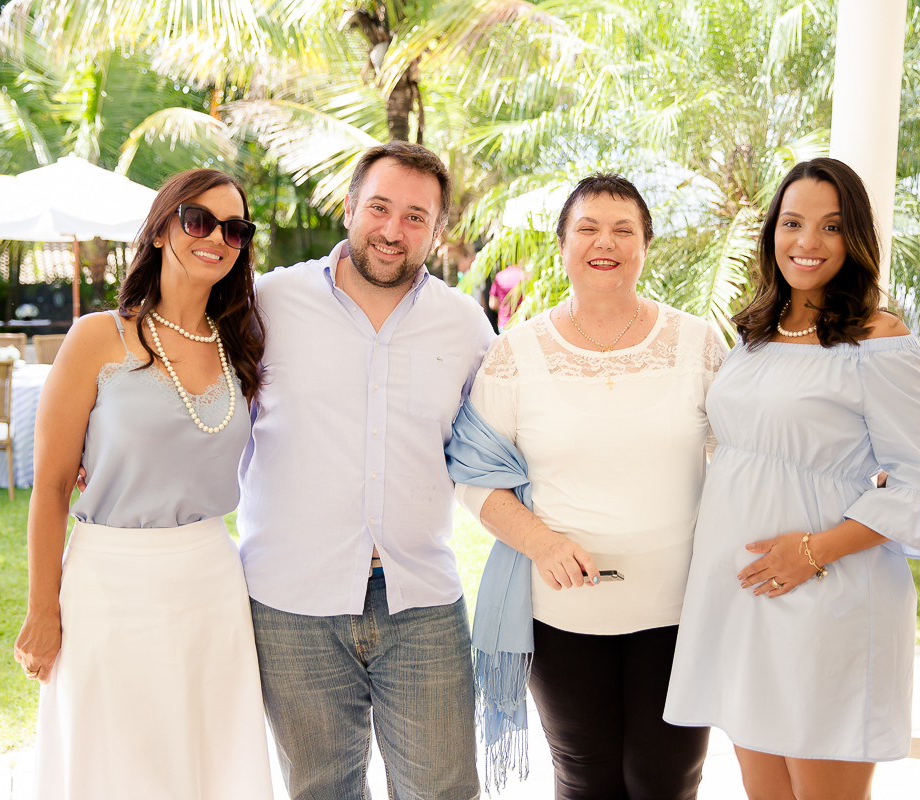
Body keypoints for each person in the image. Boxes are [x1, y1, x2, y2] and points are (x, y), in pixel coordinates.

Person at [664, 158, 920, 800]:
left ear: (855, 237)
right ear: (771, 232)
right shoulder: (756, 332)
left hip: (826, 592)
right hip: (741, 595)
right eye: (792, 223)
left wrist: (812, 552)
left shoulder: (879, 341)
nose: (807, 241)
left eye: (831, 226)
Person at [448, 174, 723, 799]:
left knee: (667, 780)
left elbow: (740, 460)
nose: (606, 243)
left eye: (624, 230)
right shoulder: (516, 353)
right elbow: (472, 474)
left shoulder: (698, 343)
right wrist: (541, 542)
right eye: (588, 229)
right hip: (561, 615)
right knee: (585, 779)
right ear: (563, 244)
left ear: (646, 245)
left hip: (681, 610)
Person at [239, 142, 494, 800]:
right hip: (291, 603)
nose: (392, 230)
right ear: (349, 207)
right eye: (379, 208)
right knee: (319, 791)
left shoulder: (465, 325)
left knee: (445, 792)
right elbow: (198, 396)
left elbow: (507, 438)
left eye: (416, 217)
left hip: (420, 600)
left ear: (437, 231)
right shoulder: (268, 303)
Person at [13, 169, 274, 800]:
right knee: (113, 765)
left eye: (234, 229)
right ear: (160, 230)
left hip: (211, 584)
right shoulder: (96, 337)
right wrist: (43, 608)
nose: (216, 238)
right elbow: (51, 486)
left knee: (208, 762)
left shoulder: (243, 344)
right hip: (110, 583)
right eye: (198, 220)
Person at [488, 263, 526, 330]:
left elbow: (493, 304)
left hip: (505, 323)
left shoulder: (500, 276)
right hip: (523, 322)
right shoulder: (525, 276)